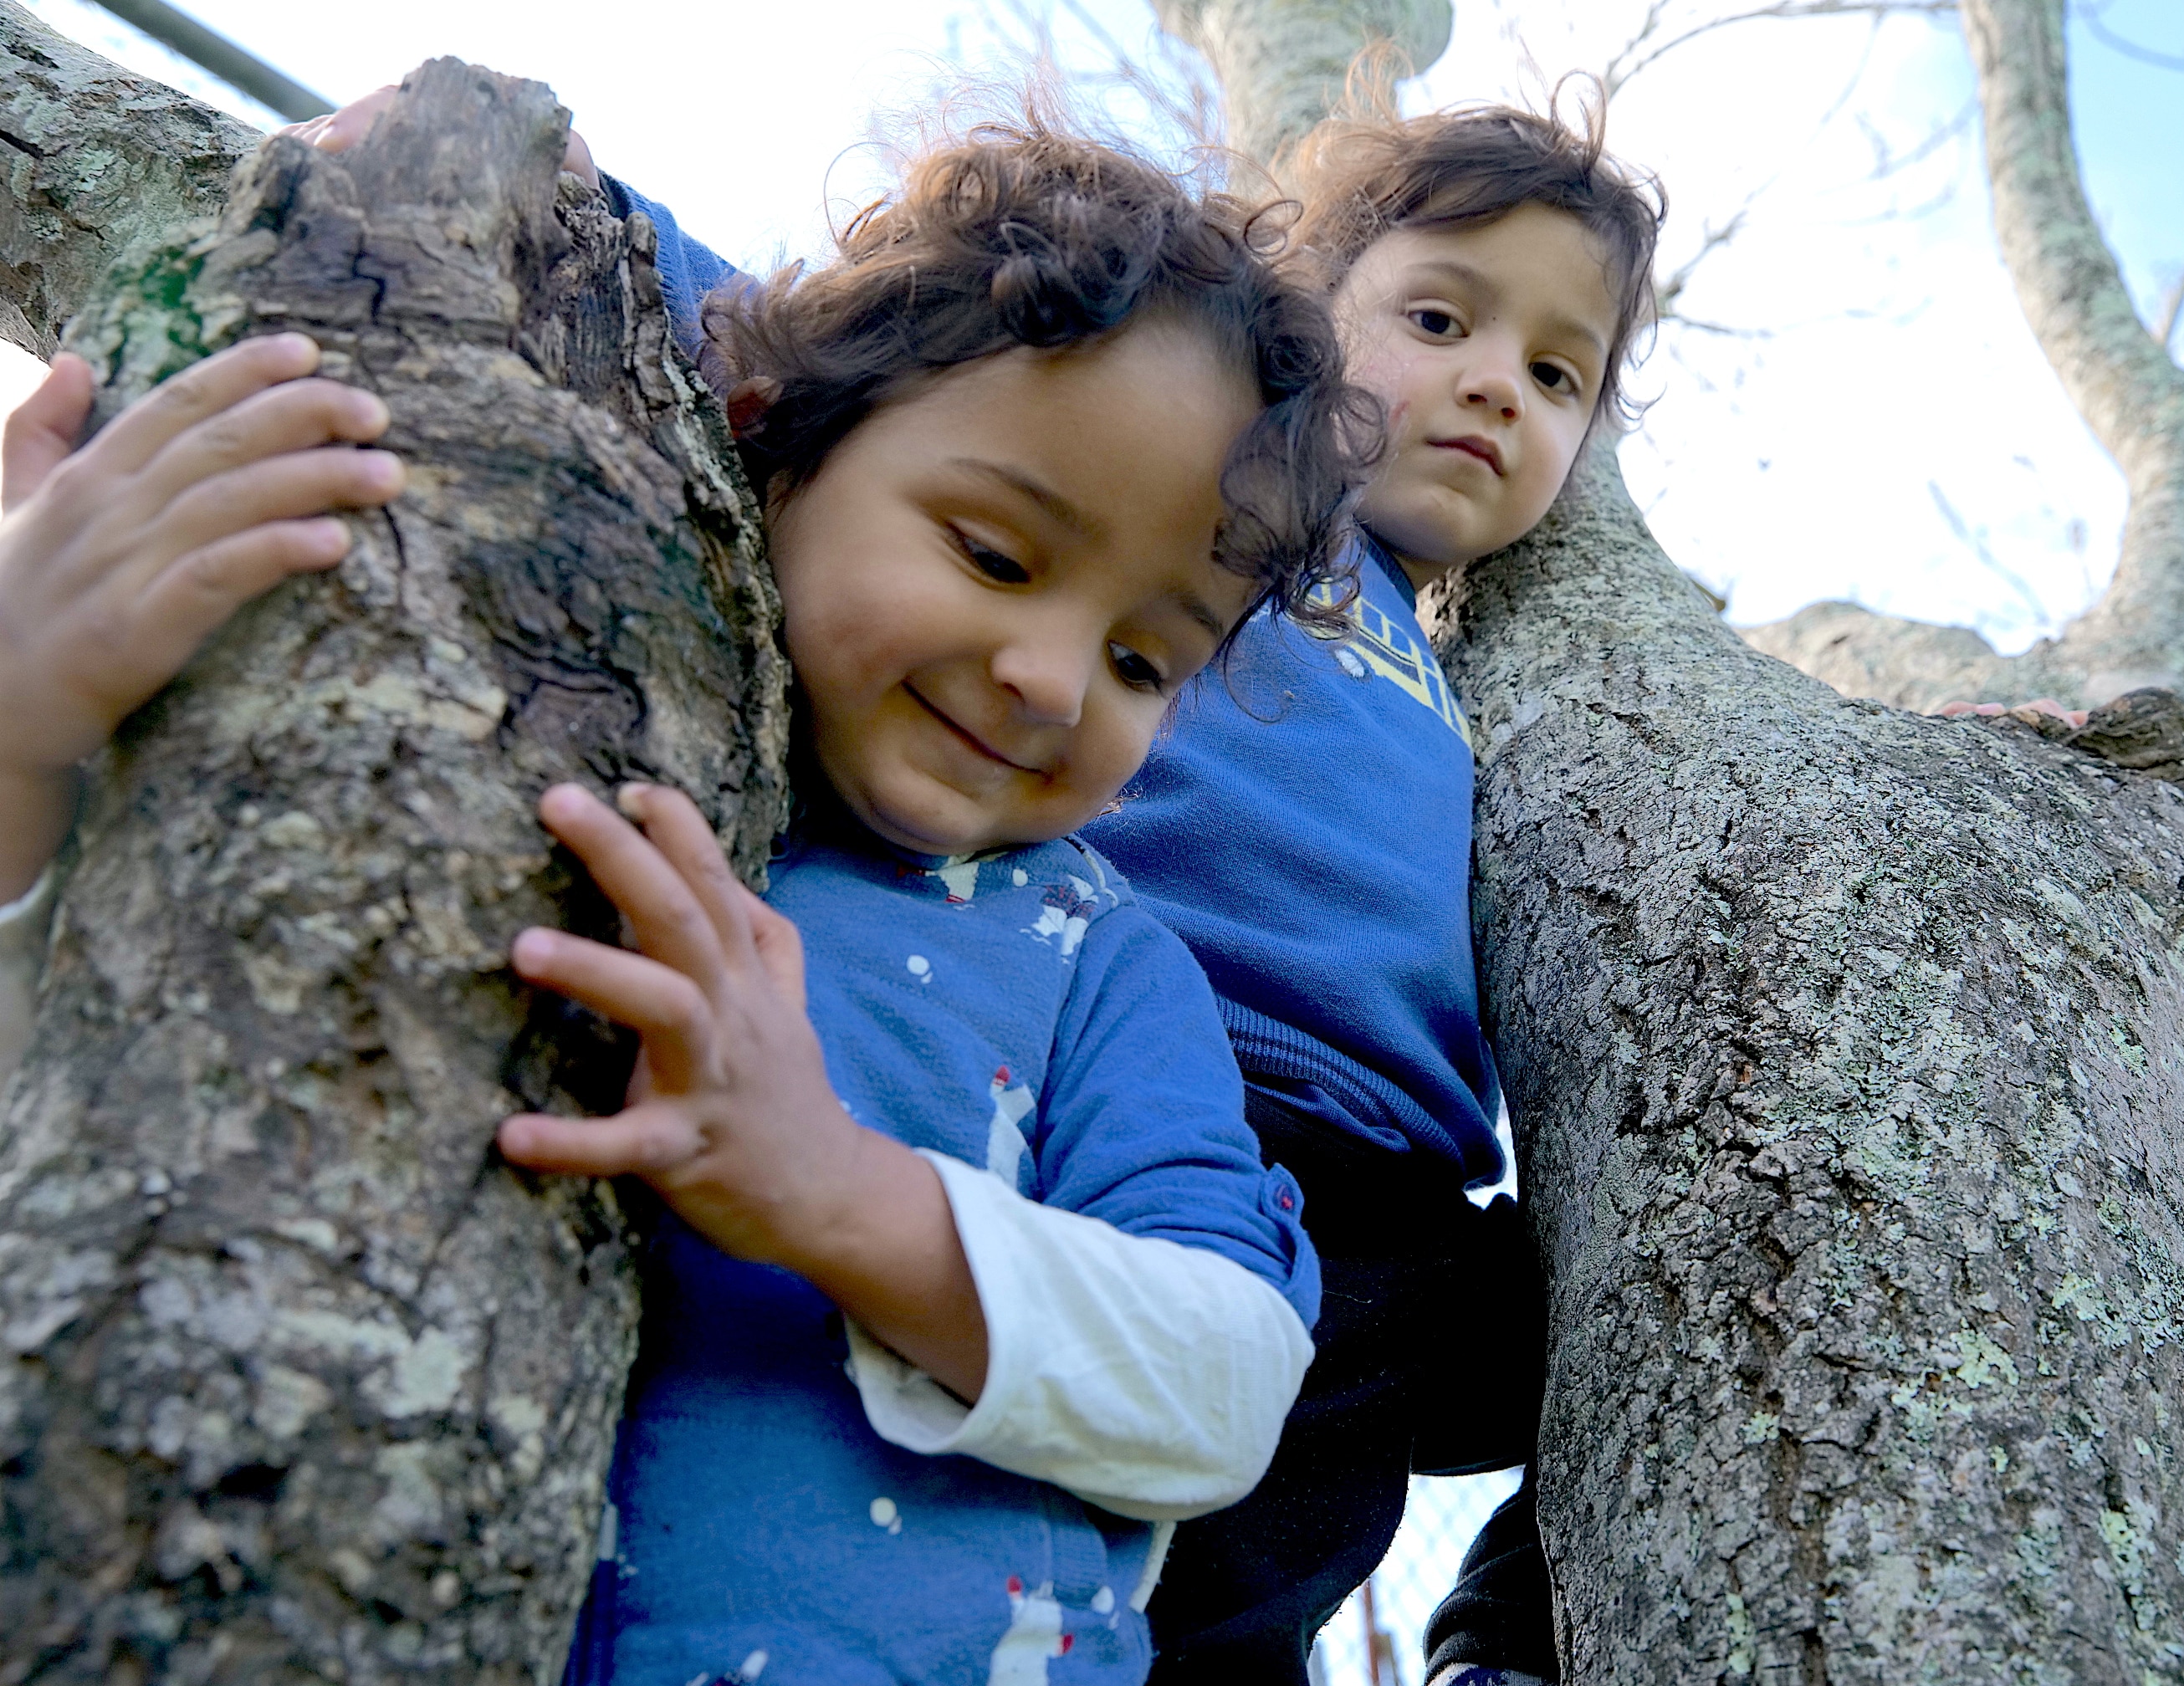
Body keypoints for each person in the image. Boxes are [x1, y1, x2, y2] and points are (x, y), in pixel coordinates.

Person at [288, 78, 1664, 1683]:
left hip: (1400, 1184)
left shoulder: (1465, 684)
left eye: (1559, 375)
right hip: (1150, 1062)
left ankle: (1498, 1645)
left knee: (1647, 1331)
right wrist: (556, 182)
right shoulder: (1196, 495)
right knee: (1212, 1578)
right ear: (1317, 305)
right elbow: (797, 345)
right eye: (1439, 317)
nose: (1496, 387)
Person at [0, 115, 1382, 1684]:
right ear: (769, 438)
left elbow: (1229, 1381)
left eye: (1148, 661)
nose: (1054, 679)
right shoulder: (504, 720)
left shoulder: (1090, 957)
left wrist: (844, 1199)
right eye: (995, 554)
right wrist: (24, 717)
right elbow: (95, 1087)